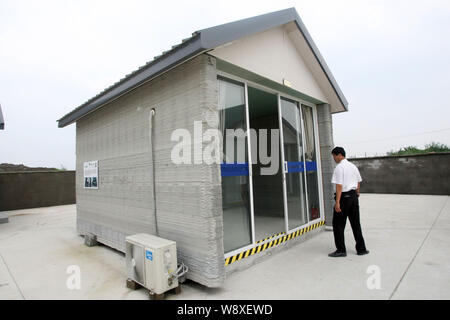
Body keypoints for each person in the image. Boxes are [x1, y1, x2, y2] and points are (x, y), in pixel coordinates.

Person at [328, 147, 369, 257]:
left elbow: (339, 186)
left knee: (338, 225)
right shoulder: (353, 166)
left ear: (339, 155)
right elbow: (358, 181)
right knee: (356, 223)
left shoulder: (339, 168)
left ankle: (341, 250)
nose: (334, 159)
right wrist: (357, 192)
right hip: (353, 196)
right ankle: (361, 249)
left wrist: (337, 202)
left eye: (334, 156)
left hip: (344, 197)